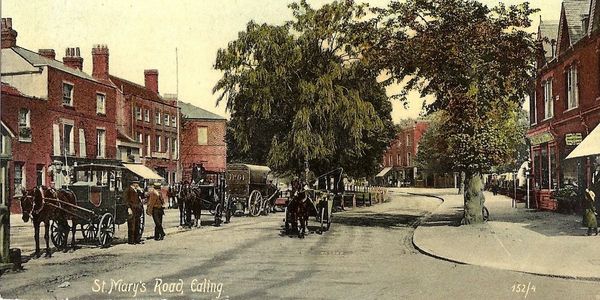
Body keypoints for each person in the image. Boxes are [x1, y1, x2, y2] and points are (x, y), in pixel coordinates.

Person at [123, 178, 143, 244]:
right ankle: (131, 240)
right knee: (132, 225)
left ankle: (137, 239)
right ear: (133, 183)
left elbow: (142, 197)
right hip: (131, 208)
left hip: (137, 209)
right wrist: (128, 208)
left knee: (137, 224)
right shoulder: (128, 189)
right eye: (136, 183)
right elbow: (125, 200)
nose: (137, 184)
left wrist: (141, 191)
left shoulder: (137, 190)